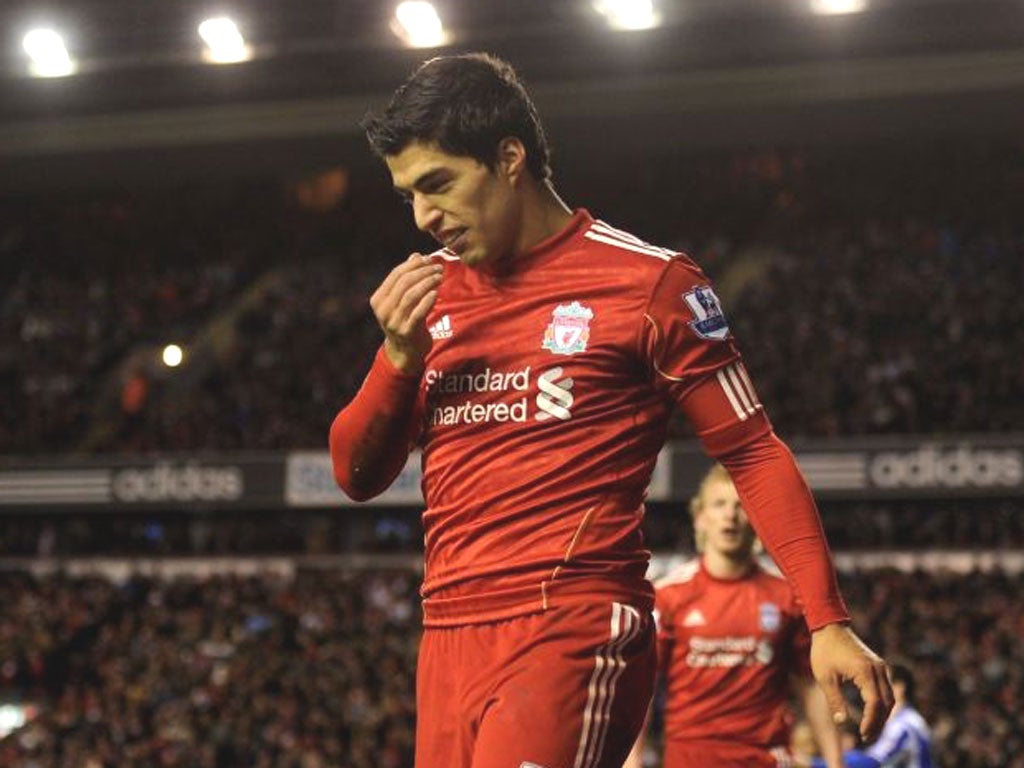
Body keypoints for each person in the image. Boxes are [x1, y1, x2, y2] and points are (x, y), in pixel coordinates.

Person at [329, 52, 892, 768]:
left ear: (509, 158)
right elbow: (355, 473)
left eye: (437, 185)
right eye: (407, 195)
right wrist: (396, 361)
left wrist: (828, 620)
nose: (423, 217)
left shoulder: (649, 286)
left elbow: (751, 450)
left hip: (572, 622)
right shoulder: (426, 299)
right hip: (446, 634)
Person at [625, 464, 845, 768]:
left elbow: (809, 686)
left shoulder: (786, 596)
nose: (730, 515)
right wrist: (631, 760)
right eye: (720, 504)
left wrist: (837, 763)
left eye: (741, 506)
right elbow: (642, 688)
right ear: (700, 518)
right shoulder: (669, 595)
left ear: (757, 519)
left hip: (766, 758)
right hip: (690, 760)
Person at [809, 663, 933, 768]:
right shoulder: (903, 720)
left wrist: (813, 764)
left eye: (881, 681)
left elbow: (871, 761)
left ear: (899, 688)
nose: (874, 686)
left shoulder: (904, 724)